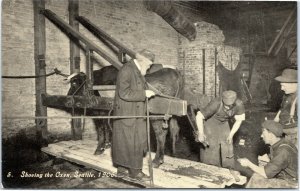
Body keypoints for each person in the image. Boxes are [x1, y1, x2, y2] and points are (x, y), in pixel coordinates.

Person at [112, 49, 156, 181]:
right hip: (127, 113)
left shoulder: (136, 70)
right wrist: (144, 94)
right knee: (132, 142)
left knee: (125, 141)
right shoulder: (127, 70)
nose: (148, 69)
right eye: (148, 65)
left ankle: (122, 170)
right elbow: (124, 93)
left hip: (132, 112)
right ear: (142, 61)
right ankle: (135, 172)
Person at [238, 120, 298, 188]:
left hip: (292, 182)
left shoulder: (283, 150)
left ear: (271, 134)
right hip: (287, 175)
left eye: (263, 133)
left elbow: (265, 174)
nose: (261, 136)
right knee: (257, 173)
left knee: (256, 179)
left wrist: (248, 164)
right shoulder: (281, 142)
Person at [195, 90, 245, 168]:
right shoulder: (216, 103)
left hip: (224, 123)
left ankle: (228, 168)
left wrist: (231, 134)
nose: (228, 107)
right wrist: (201, 133)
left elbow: (239, 120)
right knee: (211, 146)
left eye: (230, 105)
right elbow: (199, 116)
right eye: (226, 105)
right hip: (211, 122)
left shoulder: (239, 104)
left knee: (228, 144)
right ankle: (209, 168)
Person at [274, 68, 297, 146]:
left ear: (294, 84)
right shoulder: (287, 95)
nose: (281, 88)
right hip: (284, 130)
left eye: (283, 86)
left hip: (294, 134)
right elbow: (282, 107)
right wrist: (277, 118)